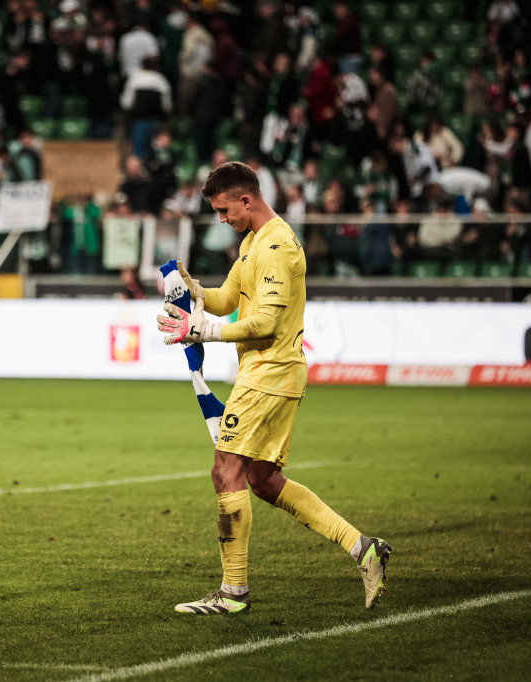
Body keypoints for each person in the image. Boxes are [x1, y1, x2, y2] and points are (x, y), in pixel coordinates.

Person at [156, 161, 392, 614]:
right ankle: (364, 548)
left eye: (225, 211)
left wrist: (200, 332)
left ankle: (233, 593)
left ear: (247, 199)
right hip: (270, 372)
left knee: (225, 471)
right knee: (263, 480)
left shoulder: (279, 247)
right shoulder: (253, 242)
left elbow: (264, 322)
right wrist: (190, 294)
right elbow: (229, 300)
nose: (222, 220)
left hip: (270, 370)